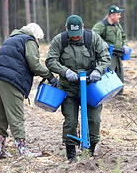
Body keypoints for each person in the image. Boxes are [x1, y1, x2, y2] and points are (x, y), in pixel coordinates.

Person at [0, 23, 59, 159]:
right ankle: (23, 150)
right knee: (16, 116)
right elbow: (34, 64)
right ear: (36, 35)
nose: (38, 42)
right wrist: (50, 77)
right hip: (10, 81)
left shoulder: (11, 39)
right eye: (39, 39)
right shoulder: (29, 40)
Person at [45, 15, 110, 161]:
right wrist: (65, 71)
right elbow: (50, 60)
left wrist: (98, 70)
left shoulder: (92, 38)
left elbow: (105, 57)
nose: (76, 37)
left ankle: (90, 151)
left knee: (95, 119)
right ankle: (71, 153)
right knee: (70, 121)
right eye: (72, 35)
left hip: (91, 87)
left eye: (78, 34)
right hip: (69, 88)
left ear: (83, 27)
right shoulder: (59, 40)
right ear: (66, 29)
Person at [92, 5, 129, 93]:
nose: (120, 16)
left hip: (118, 55)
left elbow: (123, 37)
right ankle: (107, 94)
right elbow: (93, 35)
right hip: (108, 55)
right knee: (108, 75)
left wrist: (125, 45)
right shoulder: (101, 25)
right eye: (118, 14)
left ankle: (119, 95)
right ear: (111, 15)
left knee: (120, 75)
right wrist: (102, 43)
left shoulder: (118, 26)